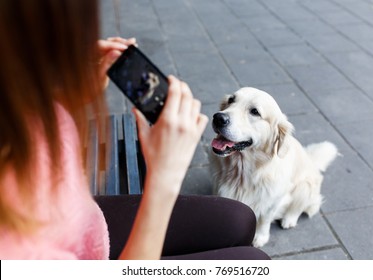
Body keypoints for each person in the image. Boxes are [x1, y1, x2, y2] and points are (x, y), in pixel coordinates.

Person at [0, 0, 269, 260]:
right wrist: (164, 177)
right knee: (255, 262)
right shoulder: (16, 249)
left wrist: (74, 93)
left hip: (77, 218)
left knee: (241, 219)